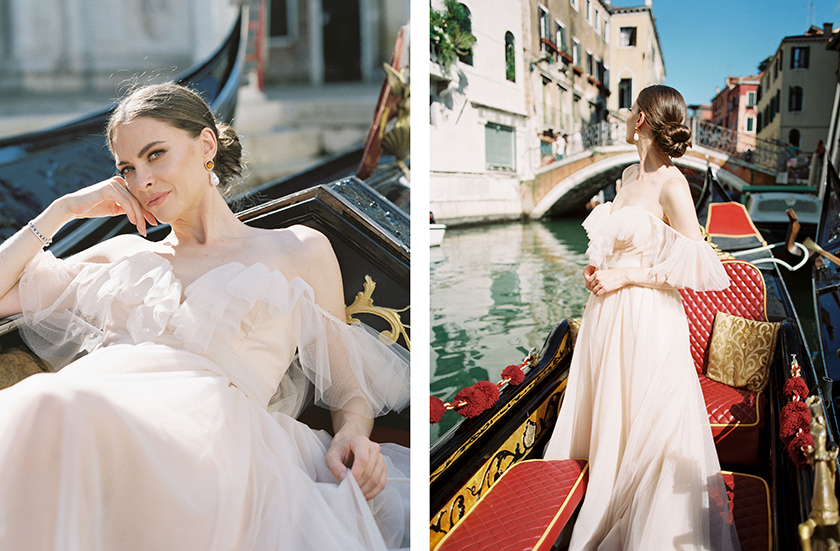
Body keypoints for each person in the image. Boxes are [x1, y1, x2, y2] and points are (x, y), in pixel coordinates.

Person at [0, 83, 410, 551]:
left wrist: (352, 436)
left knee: (59, 404)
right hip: (103, 412)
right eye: (127, 169)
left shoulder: (297, 249)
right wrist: (62, 211)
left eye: (156, 155)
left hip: (219, 442)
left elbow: (348, 390)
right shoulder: (123, 255)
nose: (142, 181)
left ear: (206, 146)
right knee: (48, 403)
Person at [543, 85, 740, 550]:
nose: (627, 114)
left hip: (648, 315)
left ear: (643, 121)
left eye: (633, 109)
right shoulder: (628, 175)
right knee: (612, 411)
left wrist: (626, 280)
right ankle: (600, 491)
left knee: (645, 420)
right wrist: (598, 268)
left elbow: (699, 264)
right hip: (607, 314)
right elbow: (618, 241)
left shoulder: (674, 184)